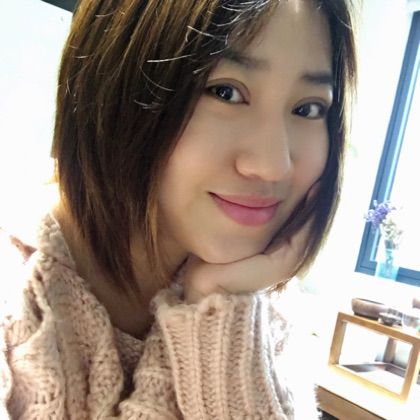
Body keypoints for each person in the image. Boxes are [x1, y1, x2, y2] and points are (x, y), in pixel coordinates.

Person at [0, 0, 356, 418]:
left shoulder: (270, 313)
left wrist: (222, 309)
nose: (273, 165)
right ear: (114, 82)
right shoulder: (15, 304)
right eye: (224, 92)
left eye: (307, 108)